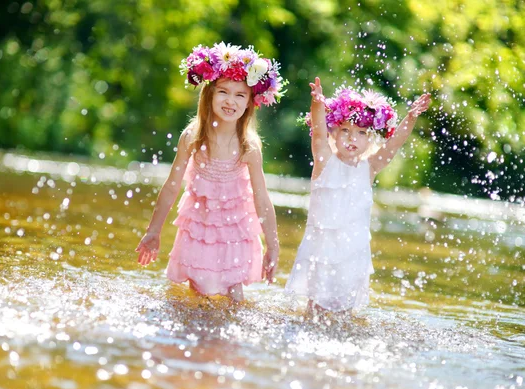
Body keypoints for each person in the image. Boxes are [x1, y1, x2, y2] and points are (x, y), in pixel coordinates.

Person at [136, 42, 286, 302]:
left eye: (240, 95)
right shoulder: (192, 137)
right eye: (223, 92)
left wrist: (272, 245)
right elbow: (172, 186)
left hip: (235, 233)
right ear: (209, 95)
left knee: (234, 298)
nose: (231, 101)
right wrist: (154, 230)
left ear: (250, 103)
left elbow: (262, 198)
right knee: (197, 295)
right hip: (199, 229)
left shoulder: (248, 146)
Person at [285, 77, 431, 319]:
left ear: (370, 138)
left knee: (345, 317)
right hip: (322, 250)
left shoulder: (369, 168)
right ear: (335, 132)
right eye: (345, 131)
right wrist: (318, 104)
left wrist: (412, 117)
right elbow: (318, 135)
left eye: (361, 132)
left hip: (353, 254)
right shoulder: (324, 162)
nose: (352, 138)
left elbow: (393, 146)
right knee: (314, 313)